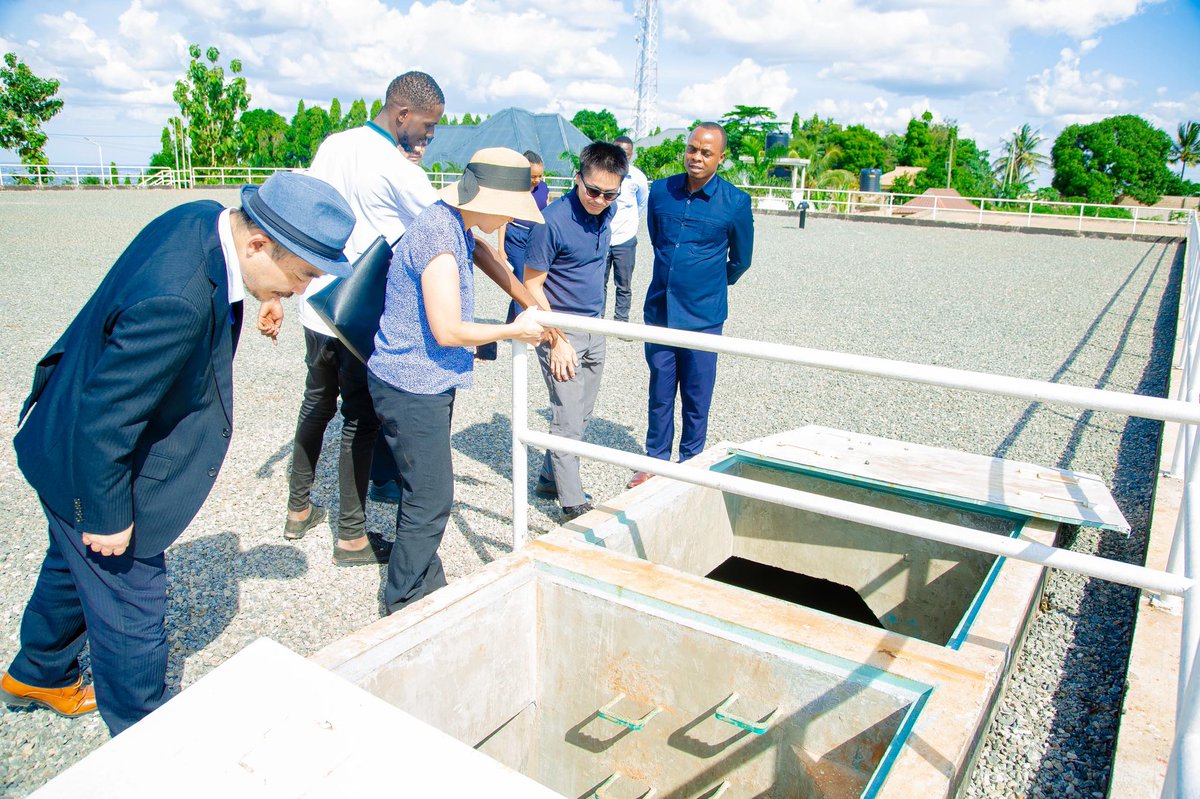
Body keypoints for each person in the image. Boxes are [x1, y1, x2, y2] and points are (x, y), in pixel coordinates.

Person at [0, 172, 355, 735]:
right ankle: (144, 740)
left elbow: (226, 279)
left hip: (59, 426)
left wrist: (268, 292)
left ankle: (38, 674)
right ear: (259, 244)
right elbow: (105, 420)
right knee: (133, 608)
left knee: (71, 565)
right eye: (302, 274)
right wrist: (107, 514)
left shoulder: (204, 219)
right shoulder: (177, 300)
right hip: (85, 457)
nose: (303, 288)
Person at [279, 72, 544, 562]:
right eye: (427, 125)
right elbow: (468, 238)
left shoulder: (334, 145)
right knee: (359, 420)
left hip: (315, 299)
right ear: (403, 115)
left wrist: (275, 294)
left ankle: (298, 506)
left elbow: (302, 219)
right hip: (362, 314)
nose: (430, 135)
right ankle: (351, 535)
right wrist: (527, 302)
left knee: (316, 404)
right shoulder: (399, 169)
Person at [367, 148, 545, 613]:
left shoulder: (450, 222)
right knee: (431, 497)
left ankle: (426, 580)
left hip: (419, 379)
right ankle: (404, 601)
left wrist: (531, 302)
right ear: (485, 199)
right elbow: (447, 330)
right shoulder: (439, 239)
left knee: (423, 489)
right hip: (411, 384)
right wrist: (513, 330)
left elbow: (484, 254)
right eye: (508, 208)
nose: (510, 218)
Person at [628, 123, 755, 488]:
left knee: (697, 395)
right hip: (661, 310)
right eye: (692, 149)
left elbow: (741, 260)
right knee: (660, 390)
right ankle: (655, 461)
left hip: (704, 316)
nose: (696, 157)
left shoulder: (735, 202)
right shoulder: (661, 192)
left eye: (706, 152)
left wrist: (708, 283)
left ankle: (691, 463)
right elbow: (658, 240)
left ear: (721, 157)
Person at [523, 142, 627, 521]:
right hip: (561, 330)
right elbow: (531, 285)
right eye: (593, 191)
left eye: (610, 194)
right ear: (577, 178)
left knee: (582, 413)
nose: (600, 200)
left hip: (593, 327)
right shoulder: (550, 222)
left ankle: (549, 477)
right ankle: (572, 503)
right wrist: (557, 339)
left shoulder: (607, 212)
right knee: (567, 418)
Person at [497, 150, 549, 315]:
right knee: (521, 281)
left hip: (535, 237)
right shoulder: (514, 189)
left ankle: (512, 321)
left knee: (533, 281)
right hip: (516, 237)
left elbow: (546, 212)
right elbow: (503, 219)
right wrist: (501, 249)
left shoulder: (543, 188)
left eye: (540, 176)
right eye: (533, 176)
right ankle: (521, 322)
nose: (537, 180)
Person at [603, 135, 649, 322]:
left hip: (625, 239)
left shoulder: (637, 178)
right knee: (598, 283)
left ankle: (621, 322)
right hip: (603, 236)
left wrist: (630, 226)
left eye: (626, 154)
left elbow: (641, 204)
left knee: (623, 284)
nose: (622, 156)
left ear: (631, 155)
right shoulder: (602, 173)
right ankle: (596, 321)